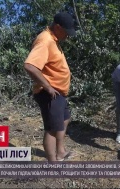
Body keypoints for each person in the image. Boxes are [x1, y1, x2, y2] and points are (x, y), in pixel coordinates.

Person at [24, 12, 76, 161]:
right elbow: (29, 66)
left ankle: (60, 152)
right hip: (49, 93)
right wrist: (47, 86)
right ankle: (52, 163)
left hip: (58, 92)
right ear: (58, 27)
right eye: (66, 32)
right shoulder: (45, 40)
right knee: (52, 129)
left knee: (65, 118)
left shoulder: (54, 40)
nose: (67, 36)